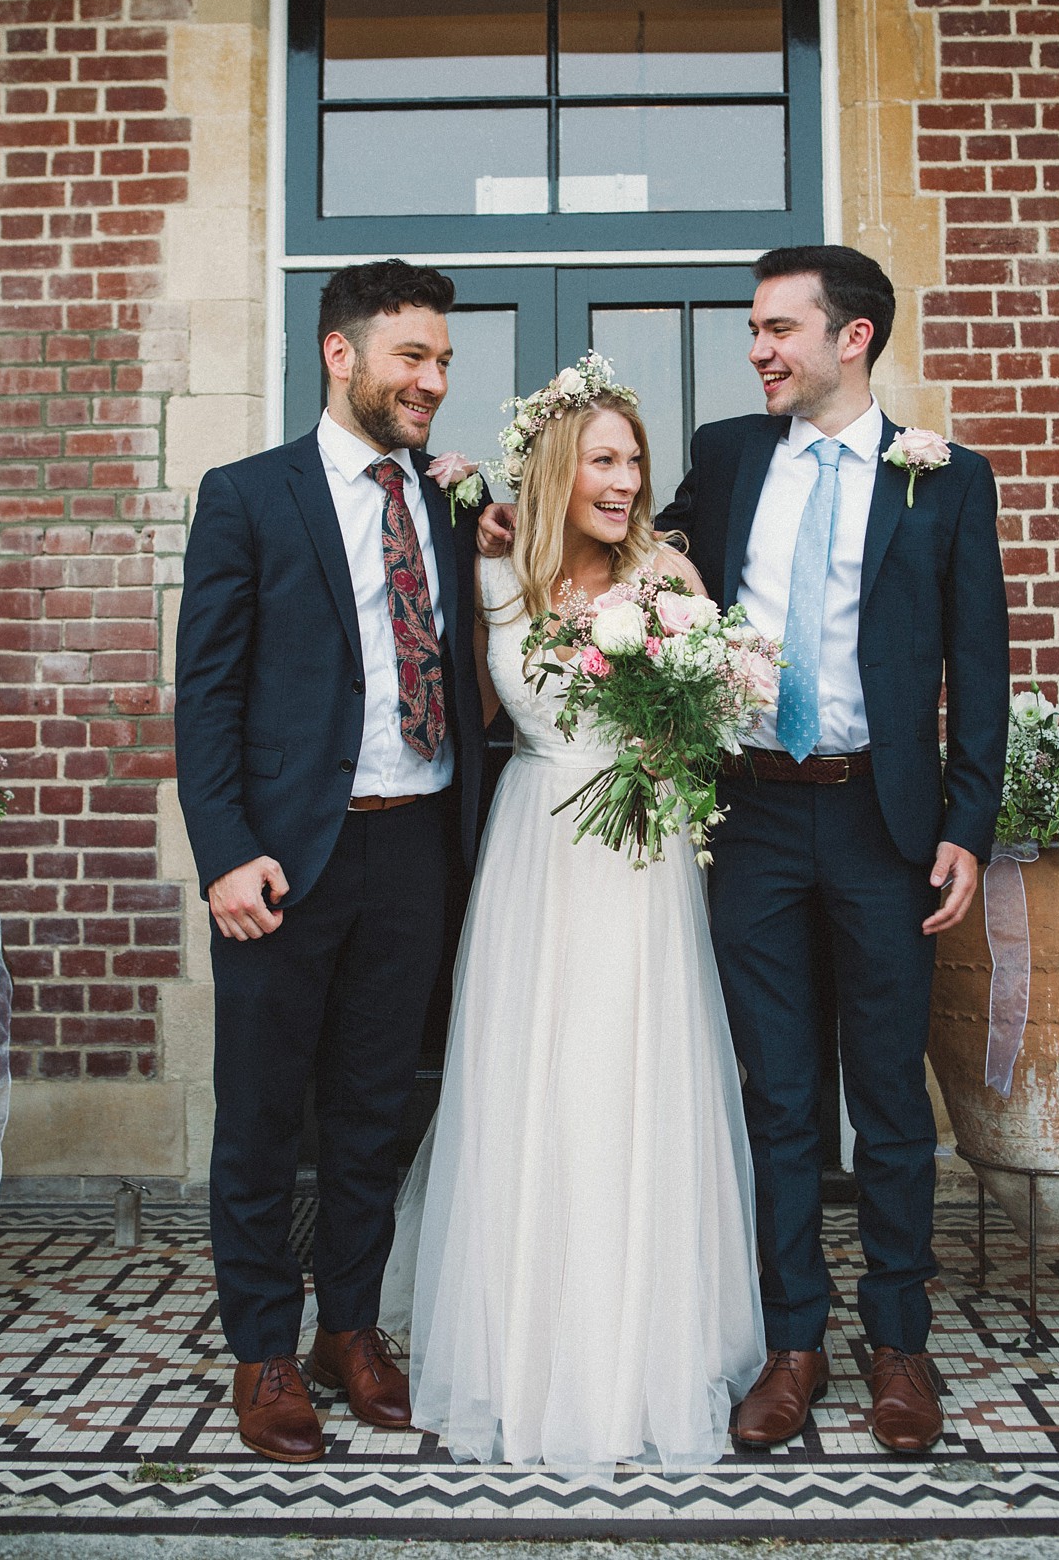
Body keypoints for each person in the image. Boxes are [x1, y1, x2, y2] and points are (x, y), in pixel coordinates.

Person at [383, 364, 766, 1478]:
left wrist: (693, 695)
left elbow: (714, 718)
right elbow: (478, 706)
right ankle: (519, 1342)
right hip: (534, 848)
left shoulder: (668, 573)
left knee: (628, 1079)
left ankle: (646, 1341)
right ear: (557, 469)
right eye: (603, 459)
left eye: (634, 460)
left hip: (639, 857)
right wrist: (465, 508)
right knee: (528, 1084)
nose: (624, 479)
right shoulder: (501, 572)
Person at [658, 244, 1009, 1453]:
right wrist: (509, 523)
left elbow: (984, 669)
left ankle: (899, 1346)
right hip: (749, 815)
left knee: (889, 1102)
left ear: (850, 338)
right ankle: (792, 1341)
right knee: (778, 1094)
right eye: (756, 330)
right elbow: (640, 554)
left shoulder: (948, 481)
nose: (757, 349)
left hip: (883, 824)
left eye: (776, 329)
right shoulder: (728, 453)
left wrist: (965, 826)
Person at [174, 259, 488, 1464]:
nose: (435, 382)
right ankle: (263, 1345)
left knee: (373, 1109)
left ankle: (349, 1327)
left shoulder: (454, 504)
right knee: (260, 1116)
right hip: (283, 861)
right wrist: (226, 853)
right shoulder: (249, 496)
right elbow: (206, 694)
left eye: (445, 362)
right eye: (414, 357)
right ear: (341, 354)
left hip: (417, 846)